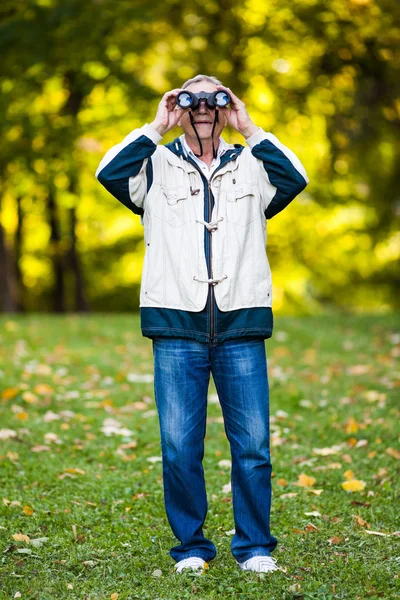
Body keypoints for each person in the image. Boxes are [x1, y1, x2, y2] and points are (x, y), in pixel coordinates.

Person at [95, 74, 309, 575]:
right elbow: (108, 171)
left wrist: (249, 126)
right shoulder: (155, 165)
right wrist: (156, 124)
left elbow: (295, 178)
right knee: (178, 448)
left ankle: (255, 547)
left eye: (216, 98)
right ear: (182, 108)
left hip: (240, 324)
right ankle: (191, 547)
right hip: (175, 326)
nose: (205, 107)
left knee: (253, 446)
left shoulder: (253, 166)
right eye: (193, 99)